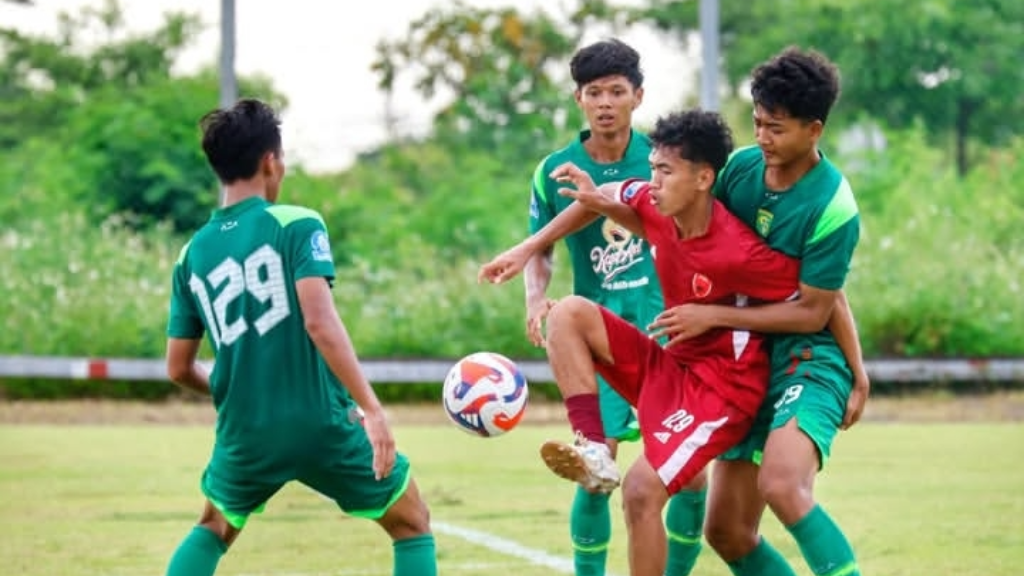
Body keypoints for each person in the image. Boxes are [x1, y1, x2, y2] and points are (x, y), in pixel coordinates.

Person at [481, 110, 810, 576]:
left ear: (703, 179)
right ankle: (594, 449)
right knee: (568, 313)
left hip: (722, 391)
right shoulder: (658, 203)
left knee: (640, 491)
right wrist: (528, 247)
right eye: (652, 168)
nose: (652, 182)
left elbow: (811, 305)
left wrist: (716, 316)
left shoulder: (739, 251)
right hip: (672, 366)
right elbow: (607, 198)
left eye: (665, 172)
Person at [162, 98, 437, 576]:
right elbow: (319, 322)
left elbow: (178, 368)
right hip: (320, 422)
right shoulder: (296, 223)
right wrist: (372, 409)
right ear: (271, 161)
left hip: (245, 430)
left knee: (213, 527)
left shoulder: (191, 255)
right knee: (412, 523)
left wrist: (231, 391)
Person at [665, 47, 868, 576]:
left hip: (809, 355)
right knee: (727, 531)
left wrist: (856, 373)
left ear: (814, 130)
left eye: (776, 128)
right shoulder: (739, 170)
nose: (762, 137)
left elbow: (815, 309)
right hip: (746, 359)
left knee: (782, 483)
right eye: (757, 122)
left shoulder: (833, 205)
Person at [524, 39, 706, 576]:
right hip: (597, 339)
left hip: (665, 331)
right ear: (578, 99)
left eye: (617, 92)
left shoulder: (664, 161)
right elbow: (540, 246)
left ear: (638, 96)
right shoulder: (554, 170)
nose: (605, 103)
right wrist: (535, 295)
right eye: (594, 92)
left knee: (690, 475)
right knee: (593, 471)